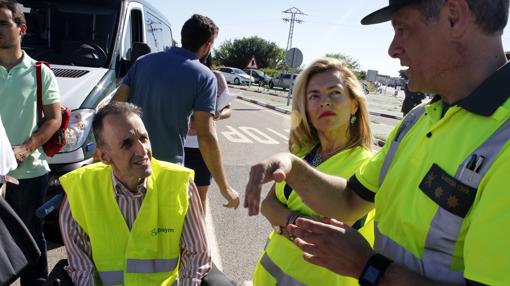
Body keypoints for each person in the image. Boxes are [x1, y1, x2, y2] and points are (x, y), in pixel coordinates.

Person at [244, 0, 510, 285]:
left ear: (454, 17)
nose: (392, 49)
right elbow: (348, 201)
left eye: (403, 29)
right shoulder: (418, 119)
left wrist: (366, 266)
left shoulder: (502, 142)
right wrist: (293, 167)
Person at [252, 58, 375, 286]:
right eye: (314, 96)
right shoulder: (304, 153)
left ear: (354, 104)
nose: (324, 102)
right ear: (306, 109)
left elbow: (331, 234)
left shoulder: (367, 166)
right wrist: (295, 220)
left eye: (335, 93)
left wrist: (283, 223)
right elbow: (267, 204)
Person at [59, 102, 211, 286]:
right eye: (127, 144)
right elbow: (81, 268)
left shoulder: (179, 183)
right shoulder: (80, 189)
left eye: (144, 138)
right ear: (105, 156)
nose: (142, 150)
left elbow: (197, 255)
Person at [113, 14, 239, 209]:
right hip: (167, 172)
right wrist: (225, 187)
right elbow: (206, 136)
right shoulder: (204, 76)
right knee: (167, 234)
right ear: (207, 45)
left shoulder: (143, 61)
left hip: (128, 167)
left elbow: (114, 108)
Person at [0, 1, 62, 285]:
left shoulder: (40, 72)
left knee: (29, 238)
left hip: (30, 173)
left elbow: (54, 119)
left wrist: (26, 147)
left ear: (21, 28)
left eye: (3, 24)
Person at [184, 54, 234, 211]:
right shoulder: (181, 72)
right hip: (179, 143)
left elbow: (228, 110)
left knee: (200, 198)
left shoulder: (216, 77)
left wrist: (215, 114)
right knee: (176, 196)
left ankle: (198, 233)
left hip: (203, 148)